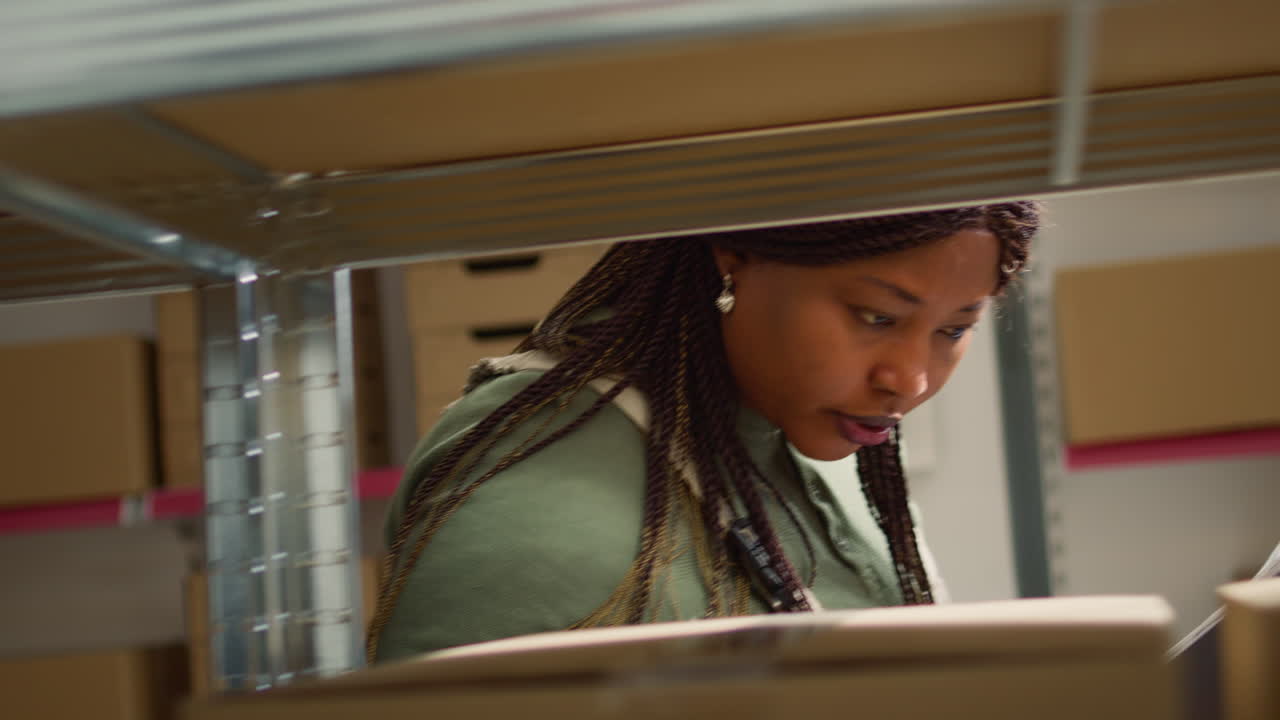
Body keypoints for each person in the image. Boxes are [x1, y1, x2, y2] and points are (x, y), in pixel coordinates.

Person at [368, 202, 1040, 662]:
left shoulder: (812, 433)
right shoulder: (528, 514)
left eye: (954, 329)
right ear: (734, 256)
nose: (912, 379)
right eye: (874, 316)